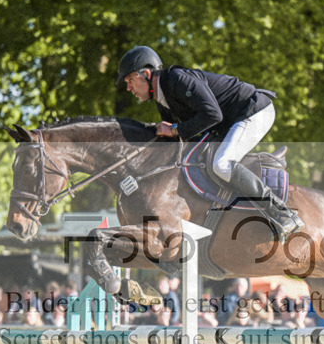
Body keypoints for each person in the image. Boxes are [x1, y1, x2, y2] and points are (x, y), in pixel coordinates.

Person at [115, 45, 303, 239]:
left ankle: (283, 213)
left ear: (146, 74)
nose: (128, 88)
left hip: (253, 111)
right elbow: (185, 140)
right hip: (228, 123)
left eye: (130, 80)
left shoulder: (177, 79)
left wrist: (174, 130)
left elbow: (212, 114)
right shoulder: (163, 102)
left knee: (222, 164)